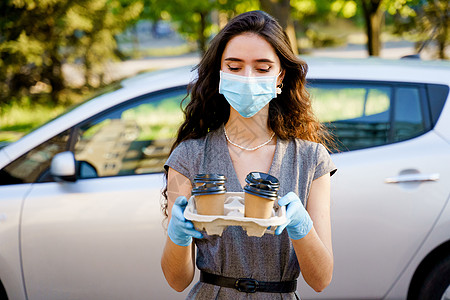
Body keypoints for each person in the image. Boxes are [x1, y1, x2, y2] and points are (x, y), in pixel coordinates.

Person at [160, 10, 337, 299]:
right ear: (220, 72)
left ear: (280, 76)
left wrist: (302, 228)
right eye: (234, 66)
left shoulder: (311, 159)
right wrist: (177, 235)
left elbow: (321, 279)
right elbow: (177, 280)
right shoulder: (188, 158)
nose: (247, 78)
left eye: (262, 68)